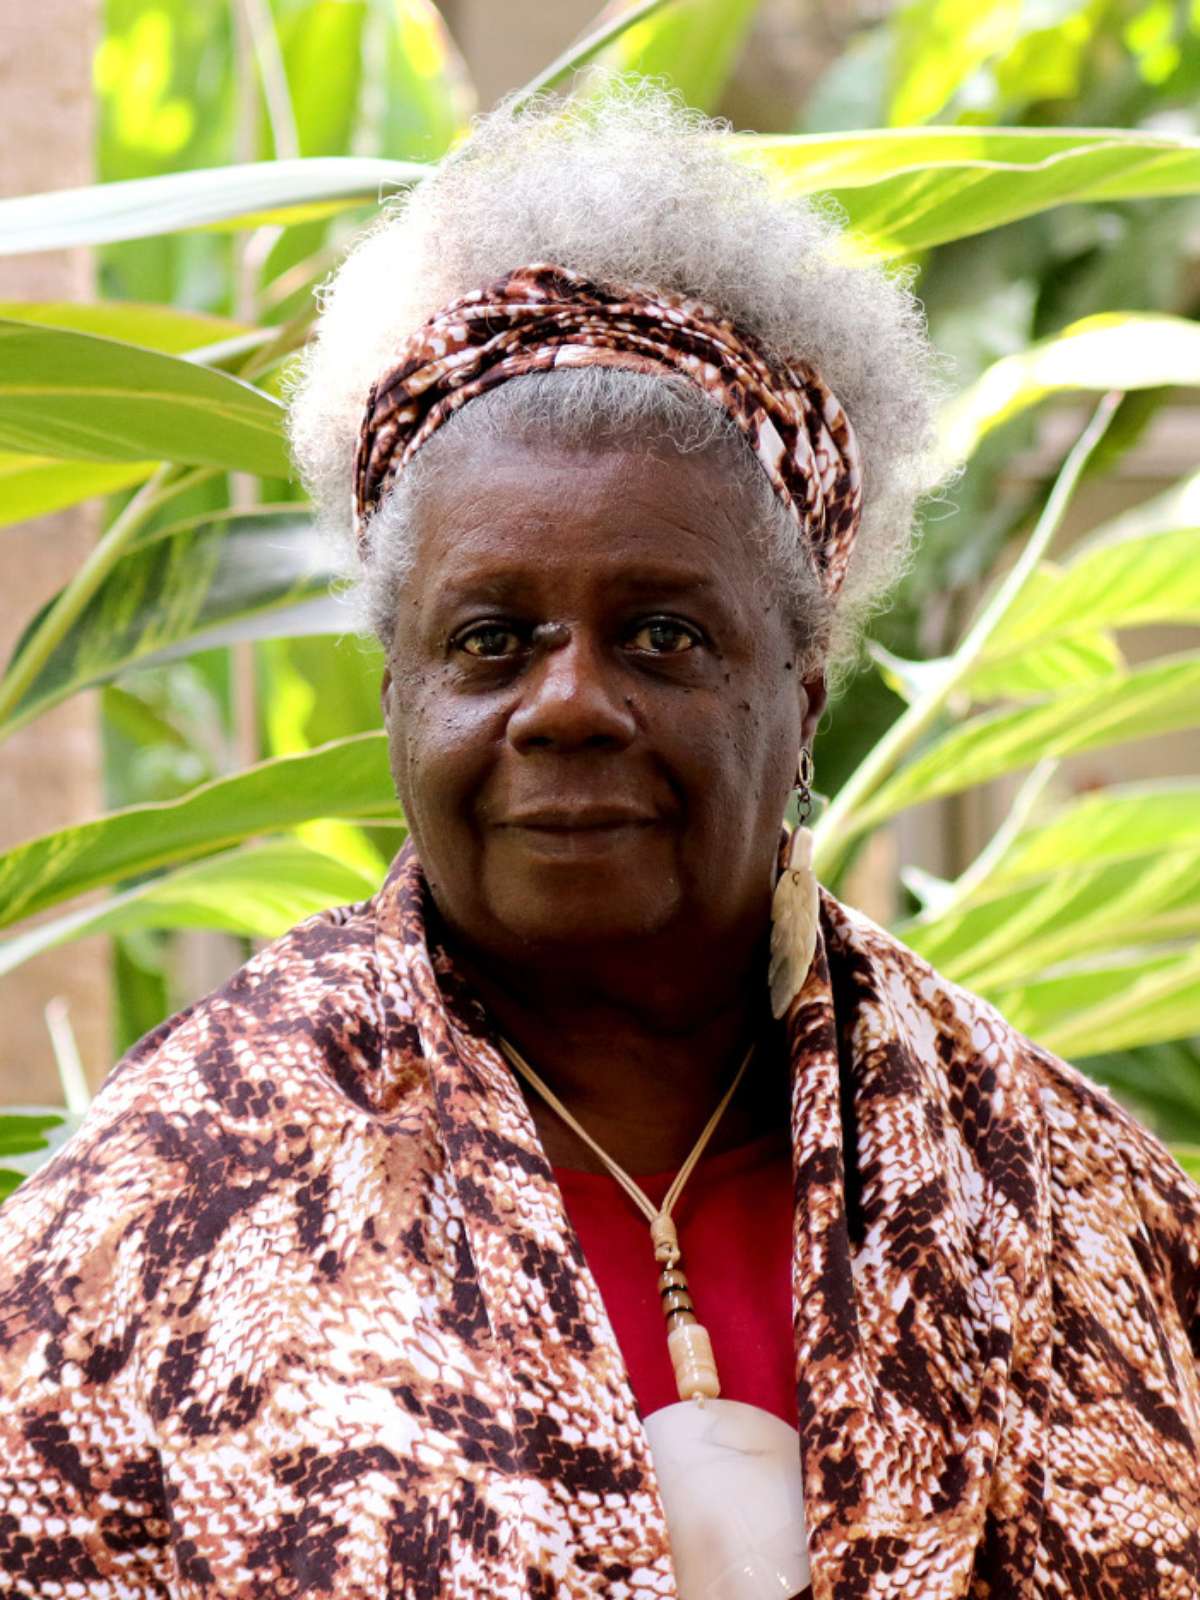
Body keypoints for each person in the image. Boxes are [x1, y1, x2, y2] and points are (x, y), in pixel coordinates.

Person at [1, 85, 1198, 1600]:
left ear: (802, 693)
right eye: (493, 640)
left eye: (660, 633)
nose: (568, 704)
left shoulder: (1062, 1200)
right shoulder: (160, 1208)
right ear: (398, 698)